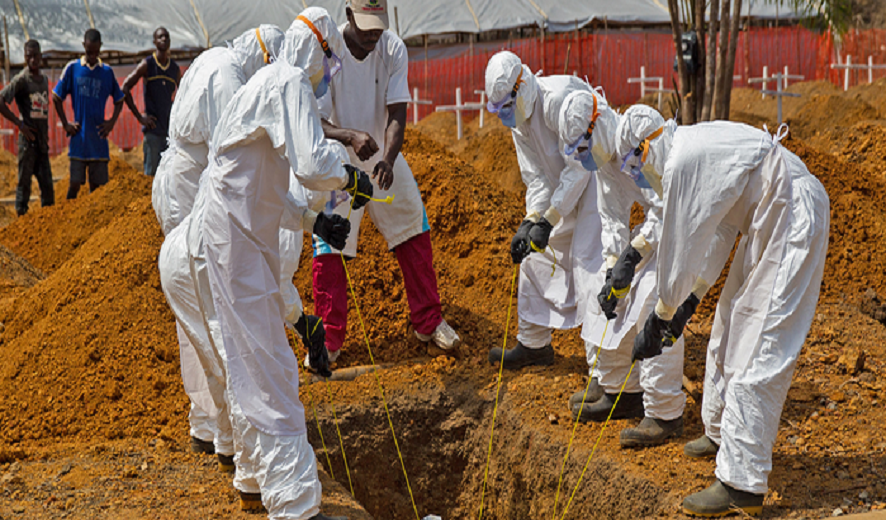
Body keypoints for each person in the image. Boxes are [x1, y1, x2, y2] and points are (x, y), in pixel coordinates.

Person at [619, 105, 830, 517]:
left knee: (761, 342)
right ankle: (719, 433)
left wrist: (662, 313)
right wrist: (690, 301)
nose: (636, 172)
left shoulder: (682, 160)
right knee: (729, 320)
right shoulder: (692, 153)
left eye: (633, 161)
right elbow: (717, 232)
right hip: (767, 218)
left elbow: (679, 248)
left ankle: (742, 484)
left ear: (648, 144)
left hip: (792, 213)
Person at [197, 7, 363, 518]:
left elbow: (268, 187)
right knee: (271, 363)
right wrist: (351, 179)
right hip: (238, 243)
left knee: (248, 358)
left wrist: (316, 225)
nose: (327, 77)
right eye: (330, 64)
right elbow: (313, 165)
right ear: (319, 49)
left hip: (233, 236)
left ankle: (252, 475)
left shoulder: (266, 83)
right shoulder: (288, 79)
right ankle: (294, 503)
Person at [155, 24, 284, 477]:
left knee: (198, 311)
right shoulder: (229, 74)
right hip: (192, 191)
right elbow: (234, 155)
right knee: (212, 307)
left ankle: (209, 424)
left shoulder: (214, 59)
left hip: (181, 186)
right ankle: (231, 434)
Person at [311, 0, 459, 365]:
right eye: (366, 30)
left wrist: (389, 160)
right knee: (330, 242)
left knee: (411, 221)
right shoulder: (326, 53)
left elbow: (397, 111)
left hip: (380, 152)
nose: (373, 37)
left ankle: (428, 320)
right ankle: (328, 342)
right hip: (336, 158)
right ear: (348, 16)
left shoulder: (392, 47)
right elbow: (314, 121)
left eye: (378, 28)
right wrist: (349, 136)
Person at [557, 91, 686, 445]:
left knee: (653, 300)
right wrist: (616, 266)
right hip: (649, 235)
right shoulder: (606, 164)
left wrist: (634, 255)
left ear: (596, 126)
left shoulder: (635, 140)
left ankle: (663, 411)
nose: (583, 157)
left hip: (676, 231)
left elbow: (666, 209)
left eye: (583, 148)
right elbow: (612, 217)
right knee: (606, 291)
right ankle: (620, 390)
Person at [483, 51, 602, 370]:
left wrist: (549, 220)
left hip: (596, 182)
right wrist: (532, 220)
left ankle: (603, 372)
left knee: (590, 265)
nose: (505, 114)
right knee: (534, 254)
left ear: (522, 86)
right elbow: (535, 175)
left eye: (507, 105)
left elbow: (579, 167)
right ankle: (534, 345)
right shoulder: (519, 120)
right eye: (499, 109)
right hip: (562, 186)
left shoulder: (558, 99)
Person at [152, 25, 284, 235]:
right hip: (189, 186)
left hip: (181, 180)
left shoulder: (217, 56)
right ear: (264, 58)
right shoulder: (227, 78)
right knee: (196, 260)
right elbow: (230, 156)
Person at [52, 28, 124, 199]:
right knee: (75, 183)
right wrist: (66, 124)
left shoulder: (106, 72)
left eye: (96, 52)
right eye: (89, 51)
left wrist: (111, 122)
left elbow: (119, 99)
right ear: (84, 46)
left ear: (101, 47)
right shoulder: (73, 68)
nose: (92, 56)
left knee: (98, 190)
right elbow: (56, 97)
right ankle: (68, 217)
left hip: (99, 140)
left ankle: (96, 224)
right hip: (79, 139)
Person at [0, 39, 54, 216]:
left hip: (41, 142)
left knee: (47, 187)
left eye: (35, 56)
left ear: (40, 56)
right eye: (28, 57)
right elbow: (1, 100)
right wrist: (19, 124)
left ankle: (48, 225)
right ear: (25, 58)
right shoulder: (22, 79)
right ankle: (21, 221)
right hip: (27, 142)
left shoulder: (44, 79)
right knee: (24, 184)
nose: (33, 60)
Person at [121, 27, 180, 176]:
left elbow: (184, 94)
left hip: (169, 134)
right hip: (153, 132)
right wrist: (140, 117)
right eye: (160, 37)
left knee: (168, 177)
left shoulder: (174, 69)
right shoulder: (148, 64)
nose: (163, 39)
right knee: (151, 178)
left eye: (166, 37)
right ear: (154, 41)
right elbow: (125, 88)